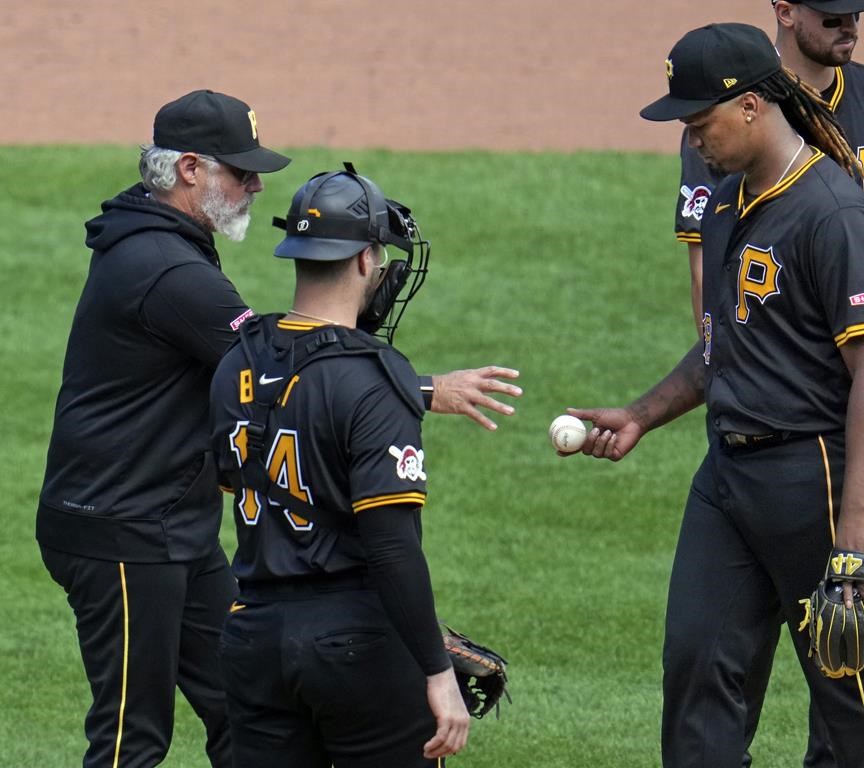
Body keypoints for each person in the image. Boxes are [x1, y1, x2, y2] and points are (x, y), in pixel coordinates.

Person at [36, 90, 519, 767]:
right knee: (129, 738)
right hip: (119, 530)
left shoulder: (160, 236)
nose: (257, 184)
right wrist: (424, 388)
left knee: (245, 715)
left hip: (170, 525)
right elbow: (280, 366)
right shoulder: (165, 267)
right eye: (241, 171)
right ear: (190, 170)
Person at [573, 23, 864, 767]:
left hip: (819, 473)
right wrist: (641, 414)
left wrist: (857, 522)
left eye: (701, 124)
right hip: (729, 472)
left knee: (848, 688)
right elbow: (725, 345)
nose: (693, 143)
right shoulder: (726, 205)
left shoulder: (834, 213)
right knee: (696, 668)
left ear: (753, 105)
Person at [209, 166, 469, 766]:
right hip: (356, 641)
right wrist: (435, 668)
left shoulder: (236, 362)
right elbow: (391, 546)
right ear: (363, 261)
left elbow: (227, 478)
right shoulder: (375, 378)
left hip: (254, 637)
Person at [674, 0, 864, 395]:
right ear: (786, 12)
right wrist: (725, 371)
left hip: (862, 357)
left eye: (857, 15)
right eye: (832, 18)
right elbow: (709, 267)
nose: (851, 28)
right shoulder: (732, 122)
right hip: (777, 378)